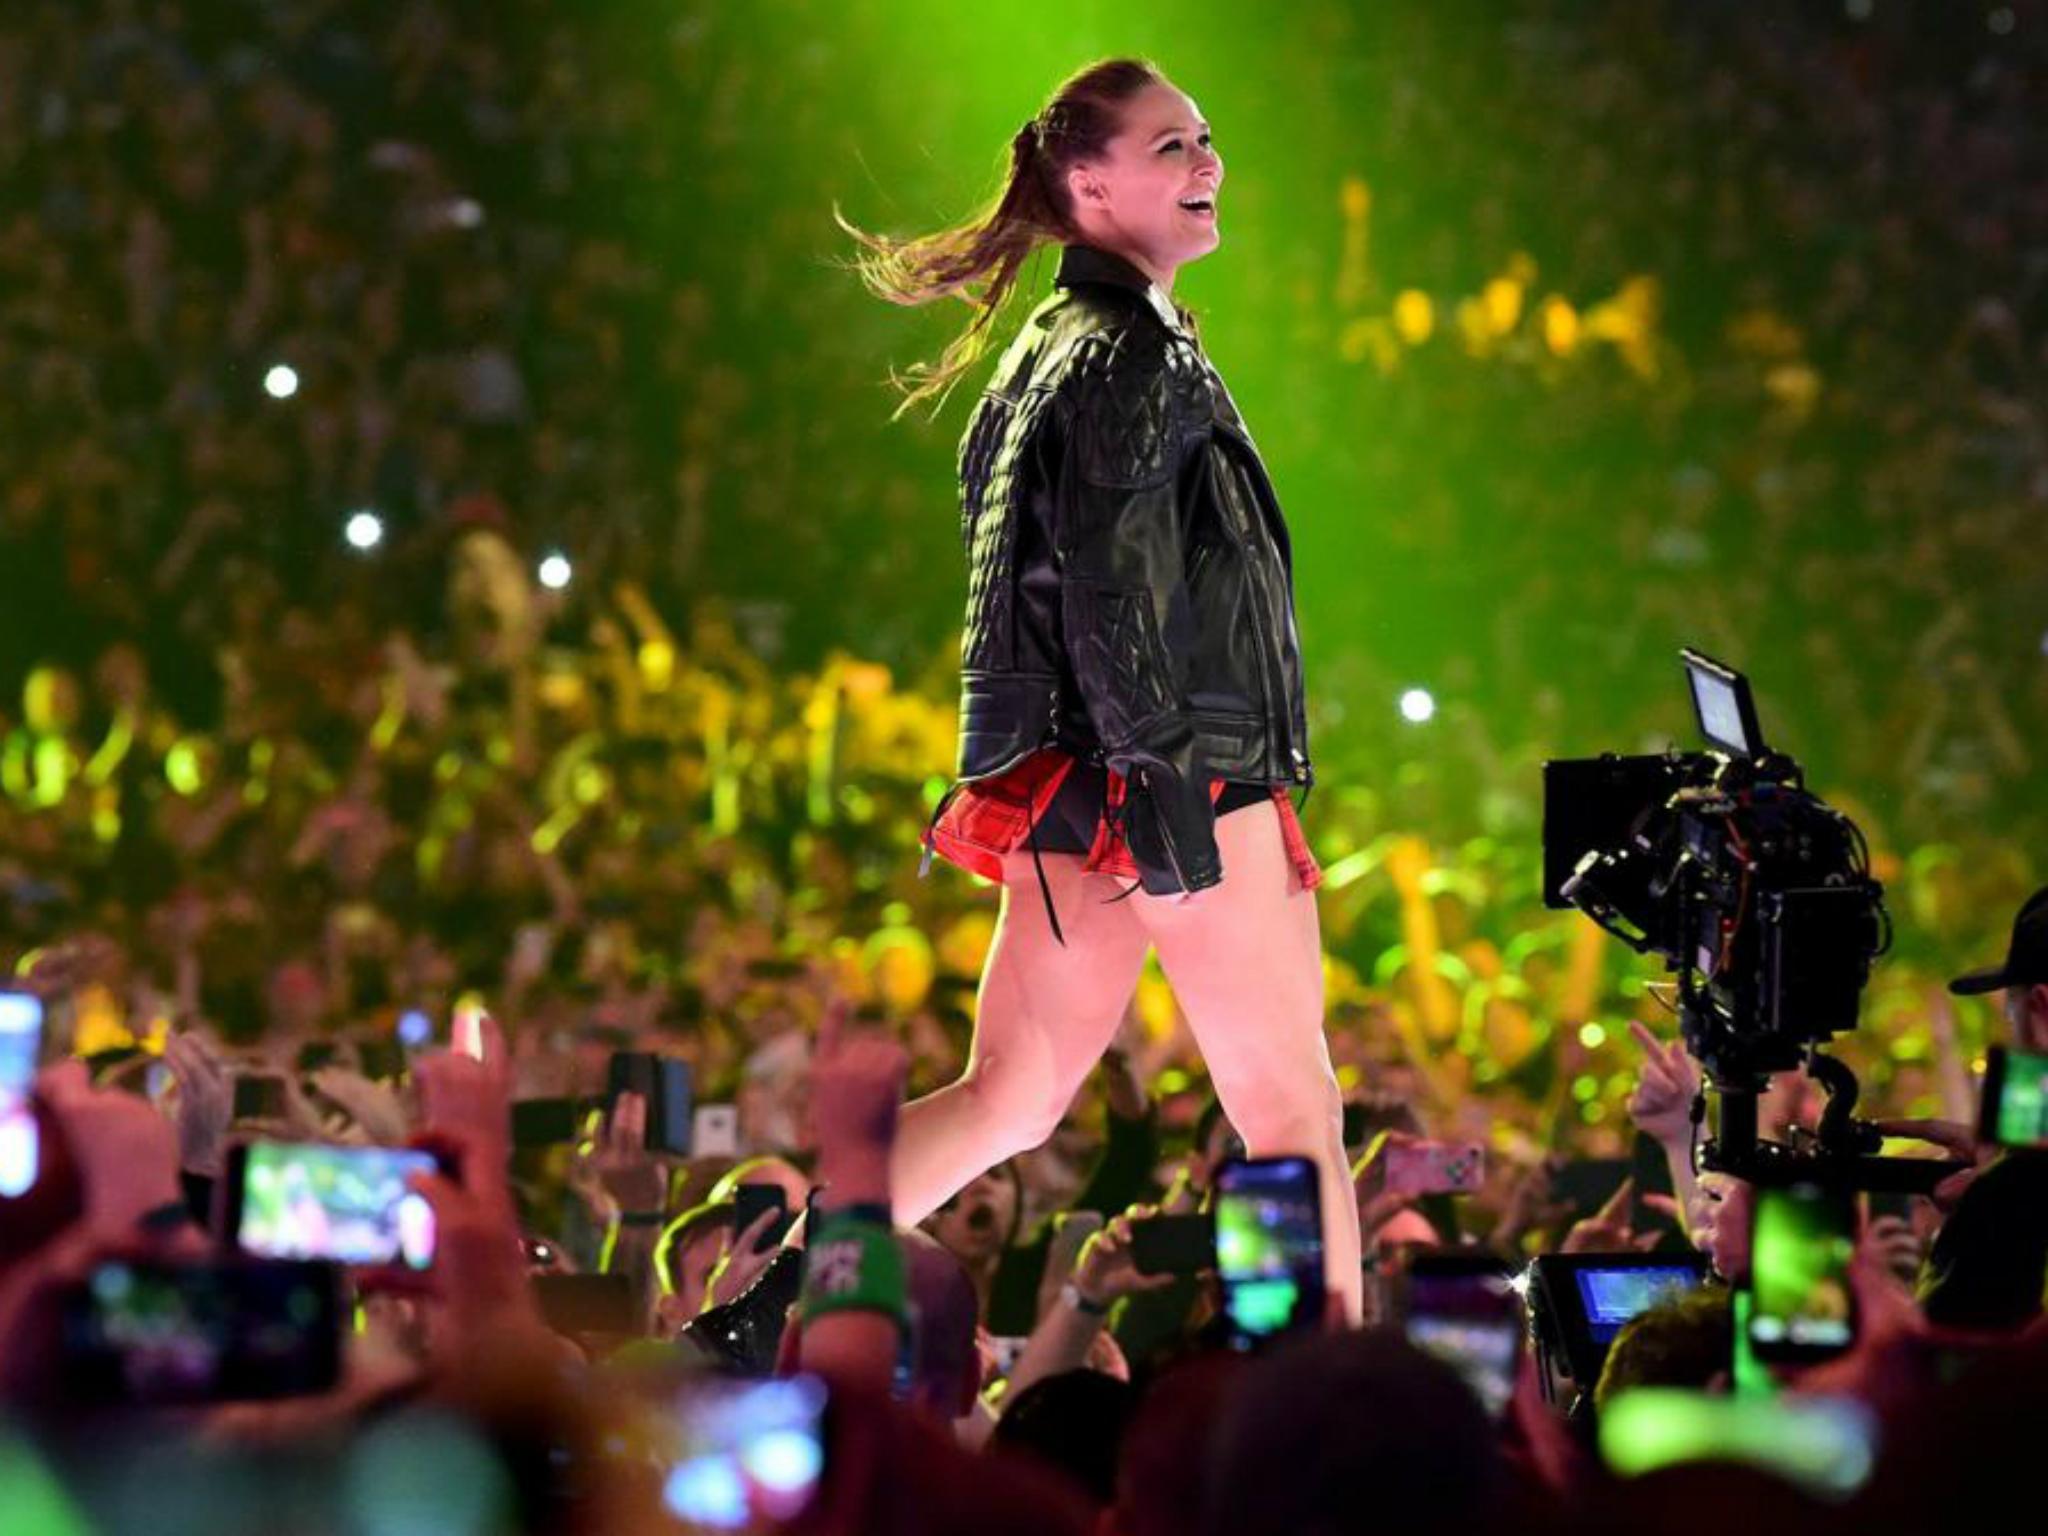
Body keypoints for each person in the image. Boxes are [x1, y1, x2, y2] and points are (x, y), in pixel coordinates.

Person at [838, 56, 1362, 1318]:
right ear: (1090, 183)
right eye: (1173, 146)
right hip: (1174, 774)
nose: (1206, 164)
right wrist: (1174, 804)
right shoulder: (1126, 354)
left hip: (1086, 782)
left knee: (1011, 1098)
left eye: (1204, 139)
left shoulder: (1057, 346)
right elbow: (1108, 594)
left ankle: (758, 1297)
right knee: (1291, 1105)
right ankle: (1328, 1381)